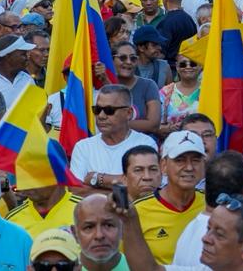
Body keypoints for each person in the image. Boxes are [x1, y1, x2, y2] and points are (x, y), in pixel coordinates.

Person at [131, 131, 206, 264]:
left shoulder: (212, 205)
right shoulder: (137, 211)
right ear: (163, 165)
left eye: (195, 160)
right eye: (180, 160)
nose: (189, 167)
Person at [70, 85, 158, 196]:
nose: (101, 116)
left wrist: (97, 178)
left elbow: (144, 189)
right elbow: (76, 191)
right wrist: (121, 187)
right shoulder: (83, 147)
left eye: (109, 110)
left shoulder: (145, 144)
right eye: (97, 110)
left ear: (129, 113)